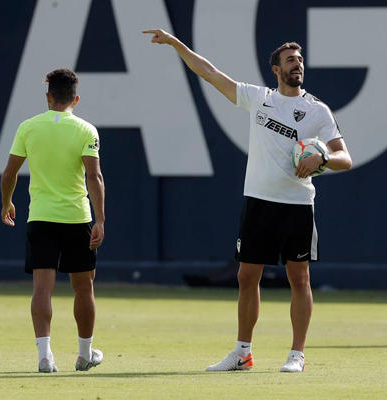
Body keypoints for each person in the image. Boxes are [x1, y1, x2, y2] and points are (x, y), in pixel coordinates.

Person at [143, 29, 352, 372]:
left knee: (299, 278)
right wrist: (175, 43)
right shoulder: (259, 98)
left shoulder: (317, 110)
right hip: (259, 200)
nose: (297, 65)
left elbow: (345, 158)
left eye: (299, 60)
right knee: (246, 276)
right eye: (290, 60)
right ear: (276, 69)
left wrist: (323, 159)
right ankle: (243, 353)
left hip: (297, 204)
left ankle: (296, 354)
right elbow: (210, 73)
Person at [0, 68, 106, 372]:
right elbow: (94, 176)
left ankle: (45, 355)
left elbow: (9, 174)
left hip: (41, 218)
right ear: (76, 98)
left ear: (48, 97)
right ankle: (84, 354)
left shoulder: (28, 127)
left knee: (42, 288)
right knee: (84, 288)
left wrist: (7, 202)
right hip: (77, 219)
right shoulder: (86, 130)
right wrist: (100, 219)